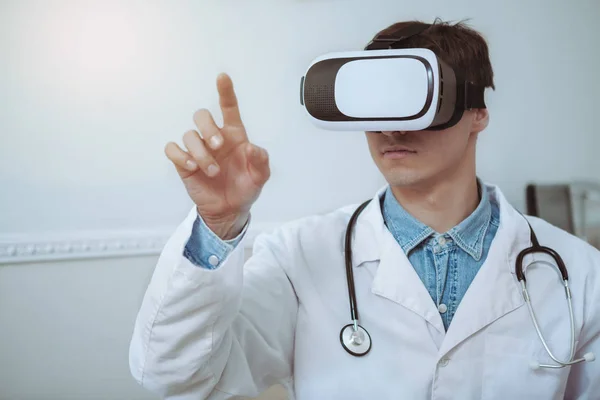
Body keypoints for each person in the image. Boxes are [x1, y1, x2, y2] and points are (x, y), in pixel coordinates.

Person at [129, 20, 600, 399]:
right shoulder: (298, 258)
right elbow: (176, 378)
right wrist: (218, 223)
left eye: (417, 101)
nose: (392, 128)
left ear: (477, 112)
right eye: (378, 105)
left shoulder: (578, 272)